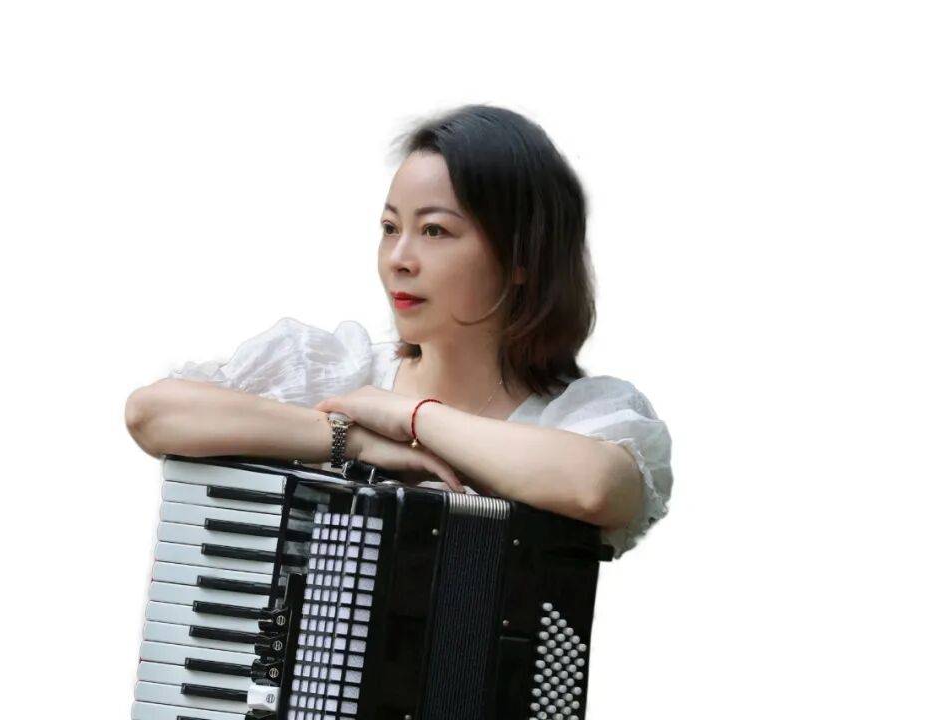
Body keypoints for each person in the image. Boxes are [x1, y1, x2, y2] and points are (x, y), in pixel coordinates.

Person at [125, 104, 673, 559]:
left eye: (434, 231)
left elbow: (597, 488)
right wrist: (353, 440)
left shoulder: (579, 418)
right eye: (390, 229)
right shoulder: (341, 373)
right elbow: (152, 415)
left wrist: (411, 417)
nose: (398, 259)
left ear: (521, 257)